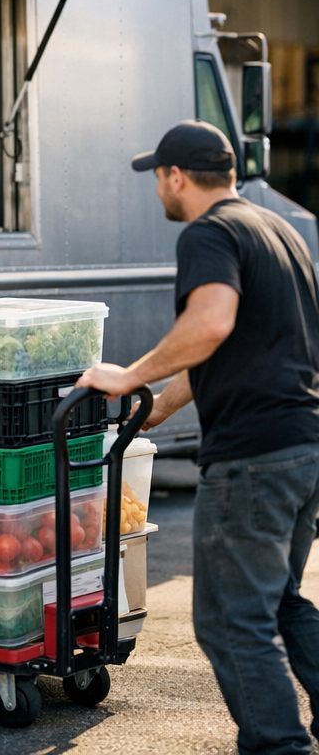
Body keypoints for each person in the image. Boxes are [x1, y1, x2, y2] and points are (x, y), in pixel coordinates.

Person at [77, 119, 319, 755]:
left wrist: (126, 376)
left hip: (255, 460)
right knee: (281, 601)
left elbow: (210, 323)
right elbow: (242, 341)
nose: (158, 188)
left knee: (229, 622)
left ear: (176, 177)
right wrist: (161, 402)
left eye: (158, 176)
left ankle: (278, 747)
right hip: (304, 445)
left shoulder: (208, 234)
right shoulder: (278, 230)